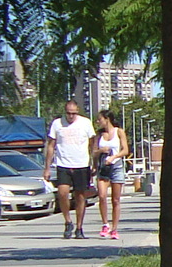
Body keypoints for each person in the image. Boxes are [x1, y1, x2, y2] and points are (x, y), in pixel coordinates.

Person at [45, 100, 95, 239]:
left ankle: (79, 227)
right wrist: (47, 168)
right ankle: (68, 221)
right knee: (62, 193)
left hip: (81, 164)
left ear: (77, 111)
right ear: (65, 112)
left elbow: (92, 144)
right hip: (63, 164)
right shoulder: (57, 124)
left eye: (74, 113)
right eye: (68, 113)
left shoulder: (85, 123)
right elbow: (51, 146)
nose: (71, 116)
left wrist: (94, 163)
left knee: (80, 196)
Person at [92, 109, 129, 239]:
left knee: (115, 199)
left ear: (107, 119)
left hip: (116, 166)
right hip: (103, 167)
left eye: (99, 119)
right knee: (102, 196)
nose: (98, 122)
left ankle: (114, 228)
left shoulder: (119, 132)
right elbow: (94, 152)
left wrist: (114, 157)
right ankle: (105, 224)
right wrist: (99, 154)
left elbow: (125, 150)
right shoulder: (99, 135)